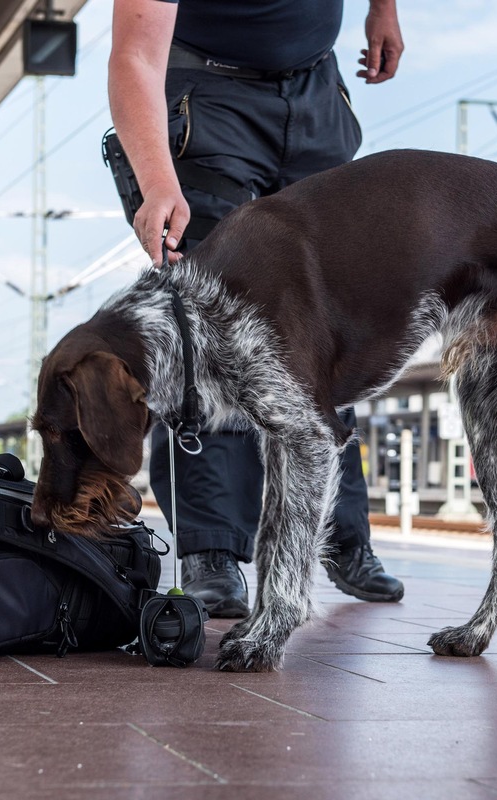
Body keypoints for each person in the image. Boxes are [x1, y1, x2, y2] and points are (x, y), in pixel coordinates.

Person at [108, 0, 406, 616]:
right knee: (215, 325)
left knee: (328, 319)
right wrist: (159, 179)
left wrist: (384, 11)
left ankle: (340, 535)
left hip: (316, 89)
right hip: (209, 99)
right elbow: (136, 54)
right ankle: (211, 551)